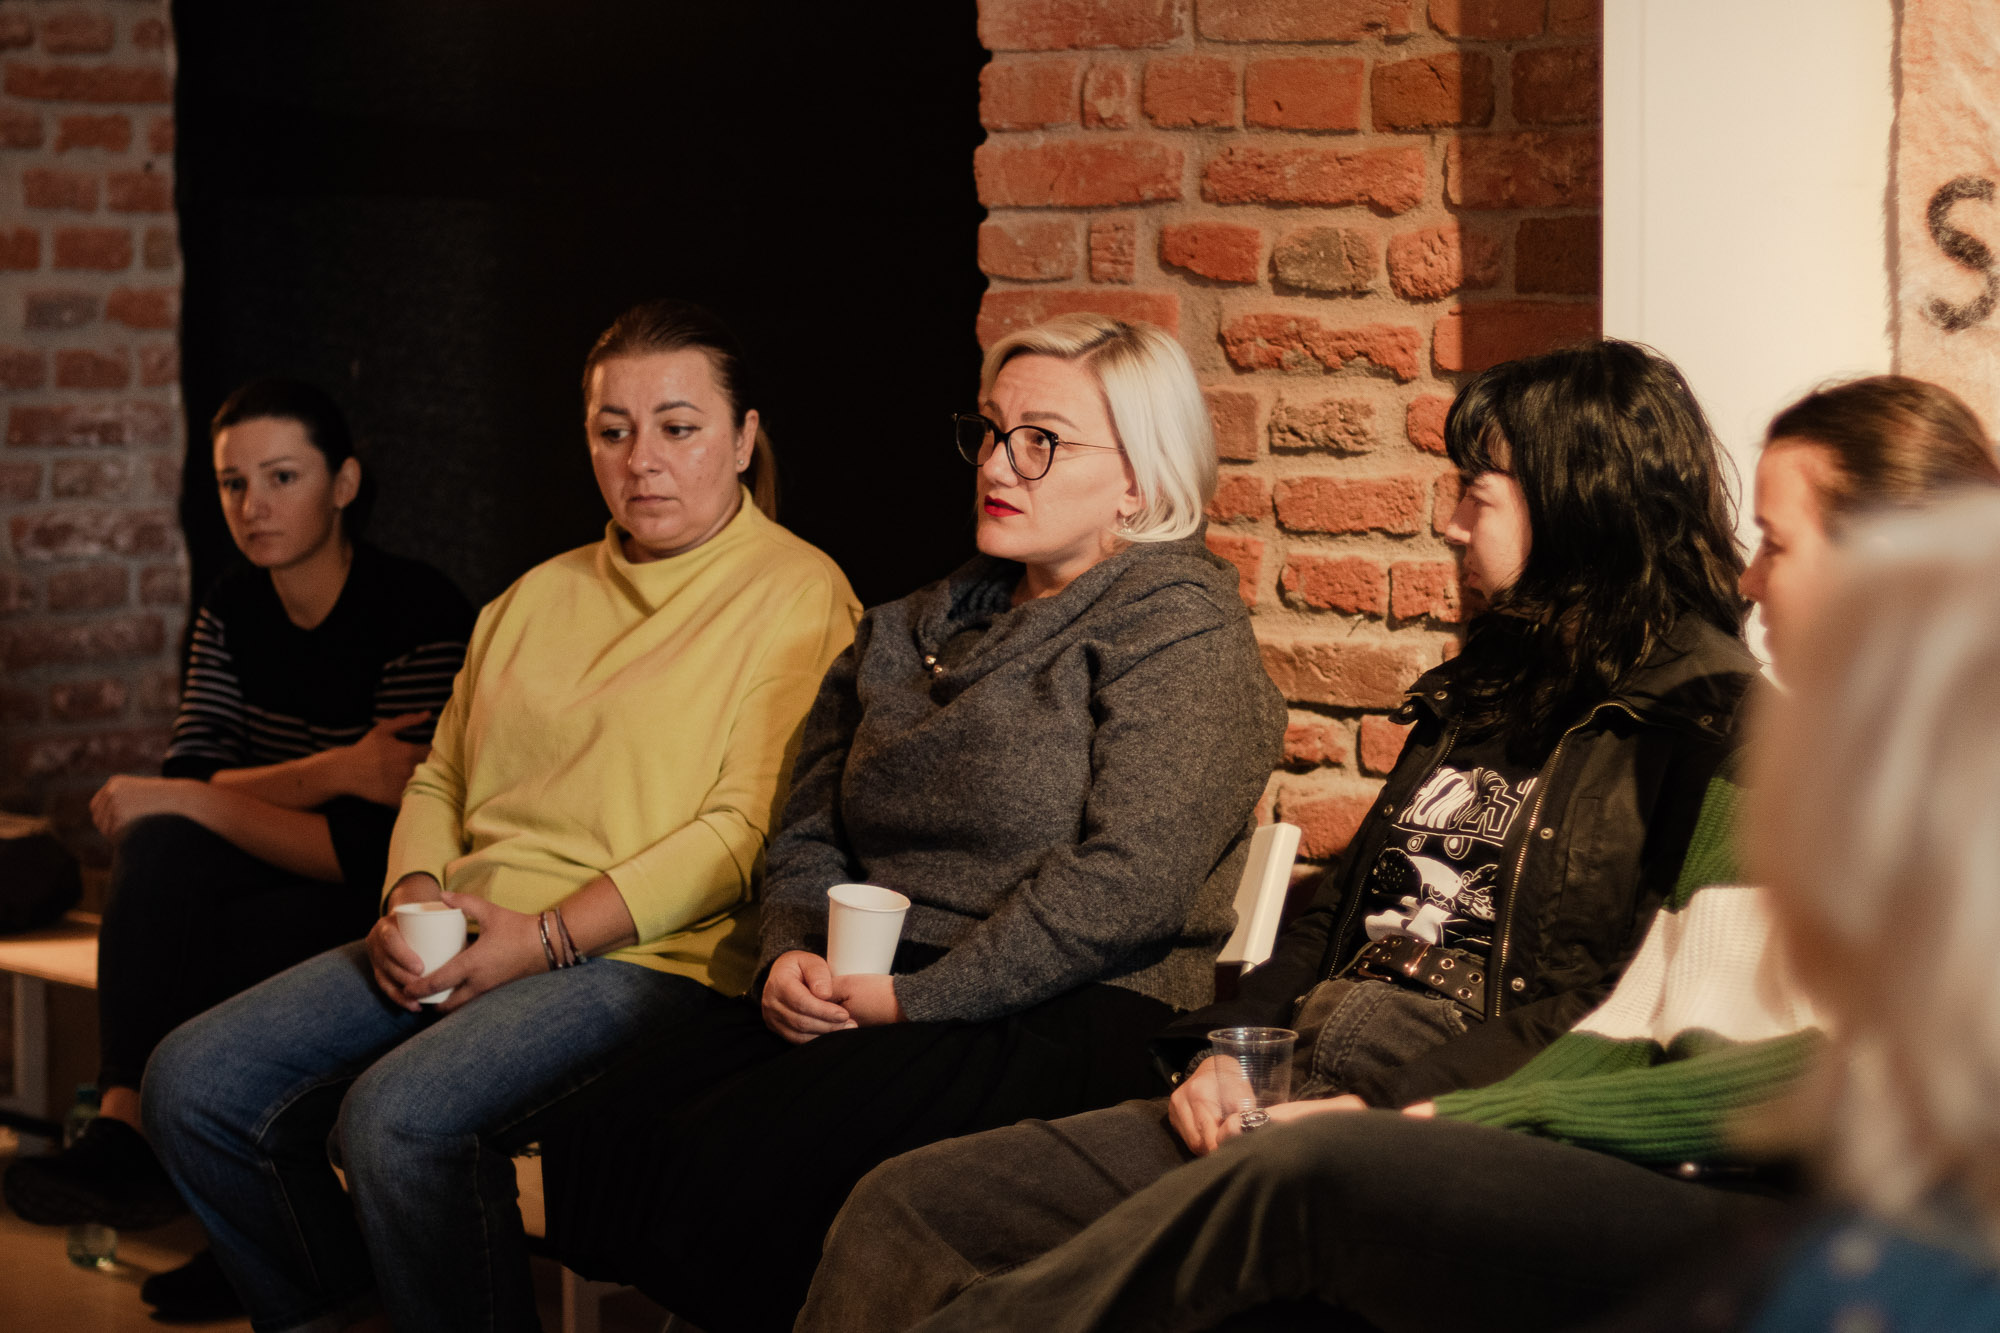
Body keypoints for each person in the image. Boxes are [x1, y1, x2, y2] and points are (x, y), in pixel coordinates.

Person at [800, 373, 2000, 1333]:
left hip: (1693, 1179)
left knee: (1297, 1184)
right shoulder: (1766, 754)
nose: (1746, 576)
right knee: (907, 1199)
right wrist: (1232, 1052)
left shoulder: (1749, 738)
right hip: (1377, 1089)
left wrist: (1437, 1117)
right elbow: (1643, 1020)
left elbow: (1813, 1078)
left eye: (1778, 544)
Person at [536, 313, 1286, 1333]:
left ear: (1138, 480)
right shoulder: (911, 624)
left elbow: (1128, 884)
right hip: (877, 982)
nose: (998, 464)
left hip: (1066, 1007)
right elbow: (809, 821)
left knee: (739, 1159)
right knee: (607, 1123)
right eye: (991, 430)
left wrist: (915, 999)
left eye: (1042, 441)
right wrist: (789, 952)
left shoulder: (1178, 628)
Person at [139, 298, 862, 1333]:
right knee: (192, 1083)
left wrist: (547, 937)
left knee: (397, 1121)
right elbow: (440, 777)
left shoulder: (797, 592)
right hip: (474, 928)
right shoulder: (531, 596)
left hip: (653, 956)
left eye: (679, 427)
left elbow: (742, 834)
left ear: (743, 439)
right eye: (613, 430)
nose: (642, 461)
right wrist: (413, 894)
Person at [2, 379, 472, 1318]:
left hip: (396, 901)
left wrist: (209, 795)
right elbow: (196, 777)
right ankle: (131, 1125)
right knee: (164, 848)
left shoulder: (415, 609)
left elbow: (367, 846)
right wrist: (335, 768)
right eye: (232, 483)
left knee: (220, 899)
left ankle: (242, 1226)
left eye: (282, 477)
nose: (253, 505)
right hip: (268, 871)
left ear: (343, 484)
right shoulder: (232, 604)